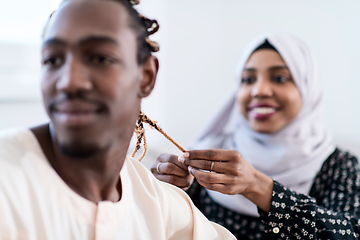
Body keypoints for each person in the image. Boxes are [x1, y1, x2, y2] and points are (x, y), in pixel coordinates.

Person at [0, 0, 236, 239]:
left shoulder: (155, 202)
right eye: (52, 60)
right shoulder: (8, 182)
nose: (69, 81)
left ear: (146, 76)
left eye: (100, 58)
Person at [152, 32, 360, 239]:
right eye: (248, 79)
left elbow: (350, 234)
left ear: (308, 88)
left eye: (280, 78)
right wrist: (161, 193)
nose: (259, 90)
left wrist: (259, 187)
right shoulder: (207, 157)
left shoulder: (340, 167)